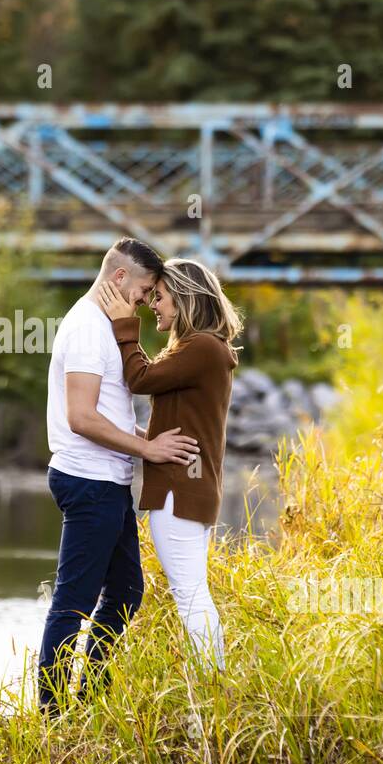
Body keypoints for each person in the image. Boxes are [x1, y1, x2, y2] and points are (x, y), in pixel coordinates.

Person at [38, 238, 200, 716]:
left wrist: (146, 438)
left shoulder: (104, 325)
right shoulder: (89, 329)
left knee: (127, 595)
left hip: (105, 480)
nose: (148, 302)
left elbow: (107, 408)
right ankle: (52, 717)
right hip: (88, 482)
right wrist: (147, 448)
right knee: (73, 603)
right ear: (119, 279)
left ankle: (89, 699)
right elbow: (82, 418)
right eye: (145, 290)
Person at [96, 258, 243, 676]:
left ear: (182, 299)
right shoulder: (202, 349)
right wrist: (141, 437)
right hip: (189, 486)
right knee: (193, 592)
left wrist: (125, 325)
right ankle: (211, 688)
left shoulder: (201, 347)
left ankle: (211, 692)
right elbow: (181, 423)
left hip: (180, 489)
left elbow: (139, 378)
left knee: (190, 594)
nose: (152, 306)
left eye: (158, 298)